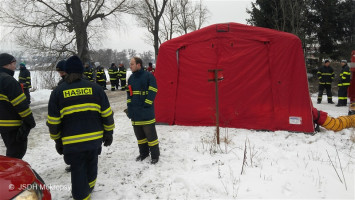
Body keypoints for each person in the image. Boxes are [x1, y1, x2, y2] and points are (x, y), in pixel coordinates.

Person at [47, 55, 114, 199]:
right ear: (81, 71)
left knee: (78, 172)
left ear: (67, 71)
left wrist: (57, 140)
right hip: (94, 141)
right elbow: (107, 114)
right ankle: (89, 189)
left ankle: (82, 195)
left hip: (72, 143)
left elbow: (53, 122)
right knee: (92, 166)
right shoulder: (96, 89)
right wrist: (109, 133)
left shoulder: (58, 93)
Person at [0, 53, 36, 159]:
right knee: (16, 154)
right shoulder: (8, 81)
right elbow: (21, 105)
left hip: (3, 125)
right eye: (13, 63)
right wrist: (30, 122)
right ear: (6, 65)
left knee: (12, 151)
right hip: (13, 125)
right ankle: (13, 173)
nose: (15, 66)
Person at [127, 57, 160, 164]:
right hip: (135, 113)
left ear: (139, 65)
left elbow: (153, 89)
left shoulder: (148, 76)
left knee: (151, 137)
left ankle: (155, 156)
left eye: (132, 64)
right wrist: (129, 108)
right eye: (130, 64)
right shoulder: (131, 78)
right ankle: (143, 153)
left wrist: (147, 103)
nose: (130, 66)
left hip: (146, 112)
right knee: (140, 137)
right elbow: (129, 94)